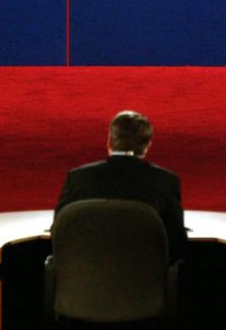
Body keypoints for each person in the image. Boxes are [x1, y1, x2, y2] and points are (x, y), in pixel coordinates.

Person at [55, 110, 187, 261]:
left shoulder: (78, 178)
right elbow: (177, 244)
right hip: (145, 279)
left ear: (109, 141)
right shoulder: (165, 181)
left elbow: (59, 232)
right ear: (147, 146)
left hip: (82, 278)